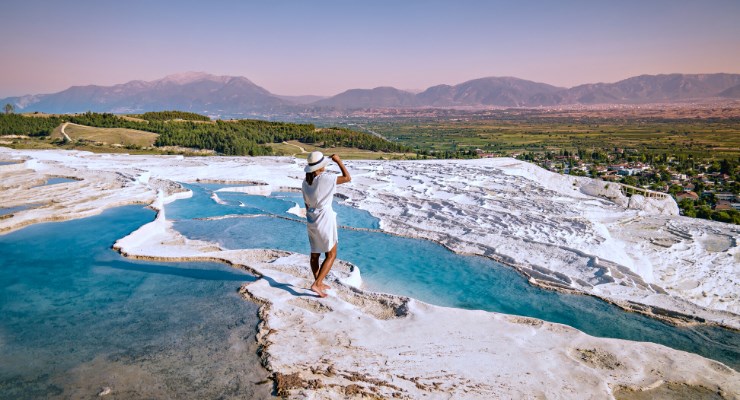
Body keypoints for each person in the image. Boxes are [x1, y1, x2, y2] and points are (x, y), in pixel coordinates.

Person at [301, 151, 351, 297]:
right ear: (321, 165)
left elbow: (306, 204)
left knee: (315, 254)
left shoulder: (305, 182)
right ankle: (316, 284)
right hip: (325, 218)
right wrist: (339, 161)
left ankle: (319, 281)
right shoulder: (326, 178)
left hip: (311, 218)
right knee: (331, 254)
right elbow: (347, 178)